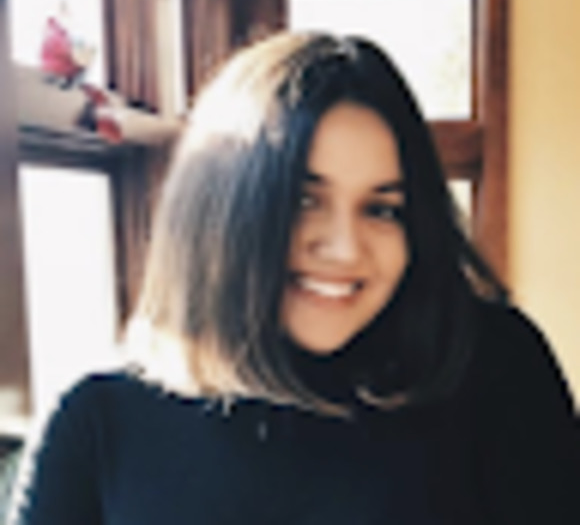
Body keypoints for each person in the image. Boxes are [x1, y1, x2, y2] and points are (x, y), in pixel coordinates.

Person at [11, 32, 580, 524]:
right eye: (303, 200)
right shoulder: (98, 423)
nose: (344, 248)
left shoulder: (491, 365)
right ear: (217, 213)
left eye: (382, 209)